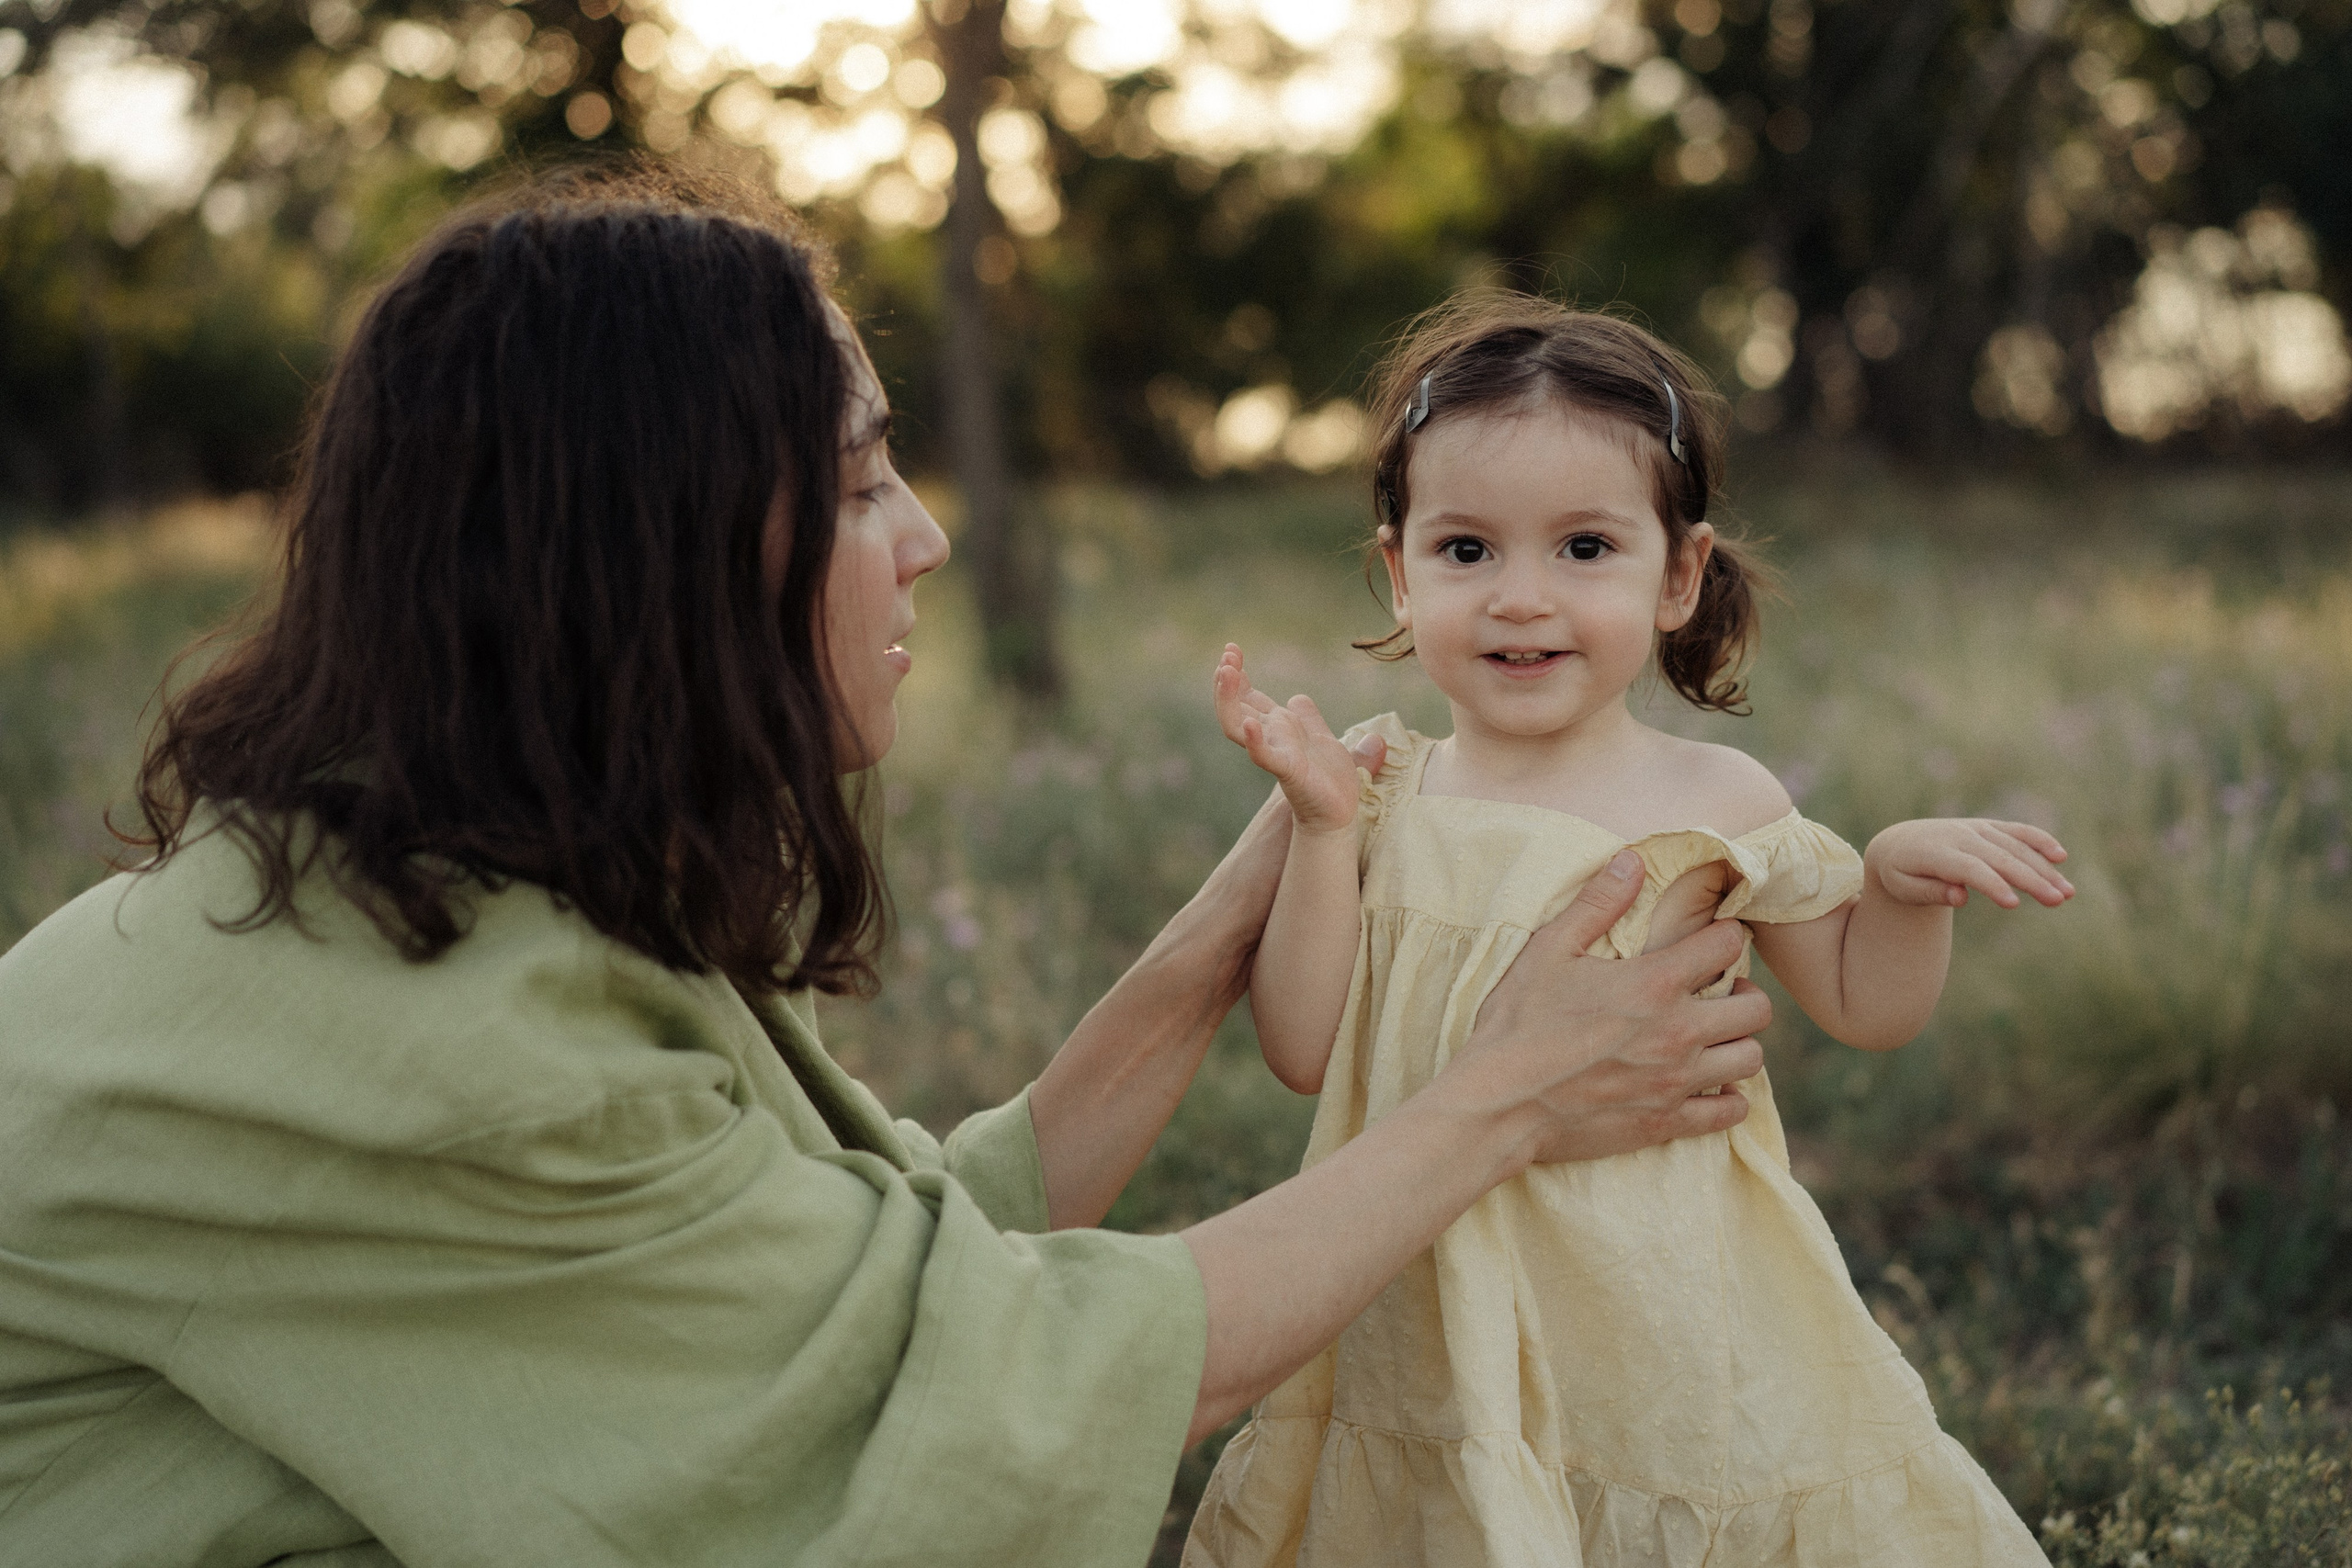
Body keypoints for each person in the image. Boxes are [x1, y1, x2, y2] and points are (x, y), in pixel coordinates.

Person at [0, 169, 1781, 1568]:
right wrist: (1517, 1089)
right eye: (859, 487)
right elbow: (990, 1385)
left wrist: (1242, 904)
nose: (925, 540)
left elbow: (902, 1261)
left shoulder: (470, 864)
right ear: (658, 549)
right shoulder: (420, 1034)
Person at [1188, 297, 2075, 1567]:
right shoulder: (1379, 794)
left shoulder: (1716, 804)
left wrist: (1894, 890)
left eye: (1585, 548)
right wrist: (1322, 833)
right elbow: (1300, 1047)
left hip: (1653, 1307)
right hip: (1422, 1297)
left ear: (1679, 574)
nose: (1521, 598)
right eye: (1466, 552)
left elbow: (1869, 1009)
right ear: (1399, 570)